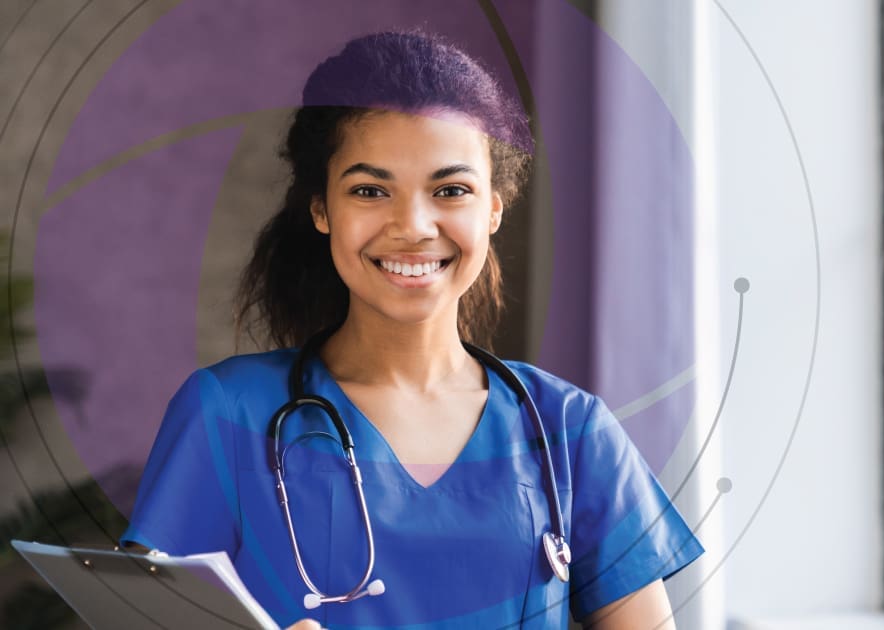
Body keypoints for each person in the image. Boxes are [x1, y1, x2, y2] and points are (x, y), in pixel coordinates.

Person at [119, 30, 703, 629]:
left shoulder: (571, 431)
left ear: (494, 208)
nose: (414, 225)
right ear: (321, 208)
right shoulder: (225, 414)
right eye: (370, 191)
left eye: (451, 190)